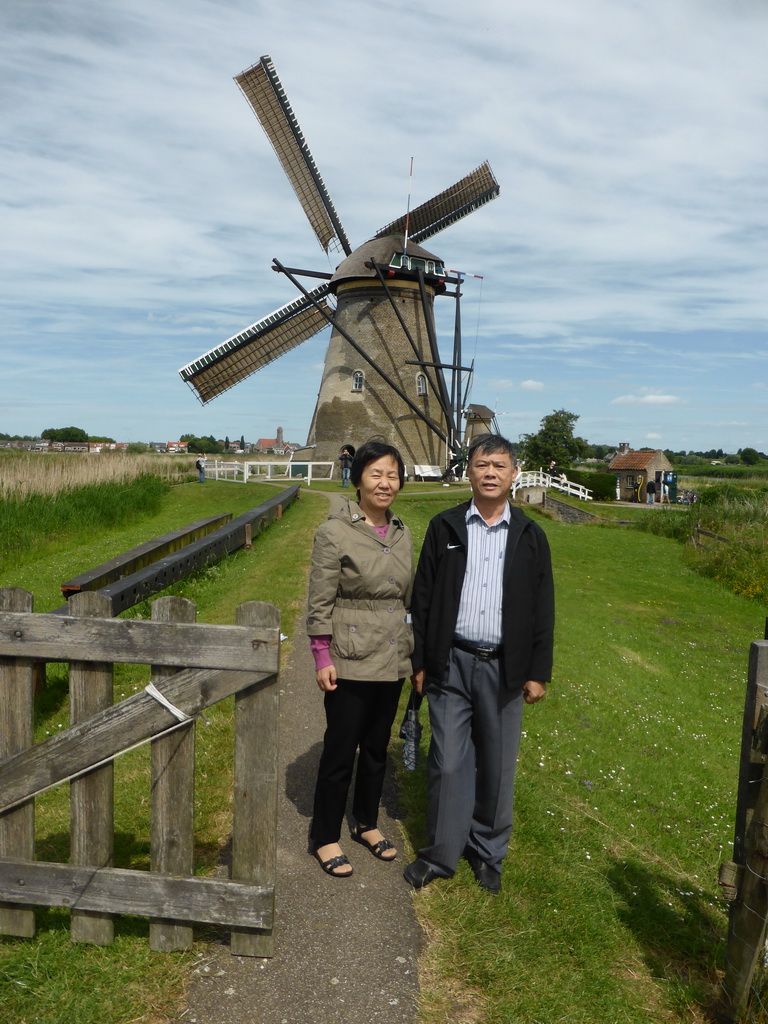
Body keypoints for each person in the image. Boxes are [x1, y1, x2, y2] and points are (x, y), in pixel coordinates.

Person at [404, 433, 554, 895]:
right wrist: (421, 659)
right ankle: (442, 853)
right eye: (482, 464)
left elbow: (543, 606)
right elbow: (423, 598)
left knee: (497, 764)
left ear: (513, 474)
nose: (490, 473)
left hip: (505, 666)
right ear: (468, 471)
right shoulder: (445, 527)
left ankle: (488, 852)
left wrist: (537, 670)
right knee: (448, 763)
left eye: (500, 466)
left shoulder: (530, 536)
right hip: (451, 661)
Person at [306, 440, 414, 877]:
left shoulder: (404, 531)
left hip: (392, 658)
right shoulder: (334, 532)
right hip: (349, 657)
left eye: (392, 475)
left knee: (375, 749)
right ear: (358, 479)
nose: (385, 483)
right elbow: (319, 601)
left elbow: (410, 598)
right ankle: (325, 835)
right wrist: (320, 655)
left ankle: (366, 823)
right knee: (339, 749)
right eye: (376, 474)